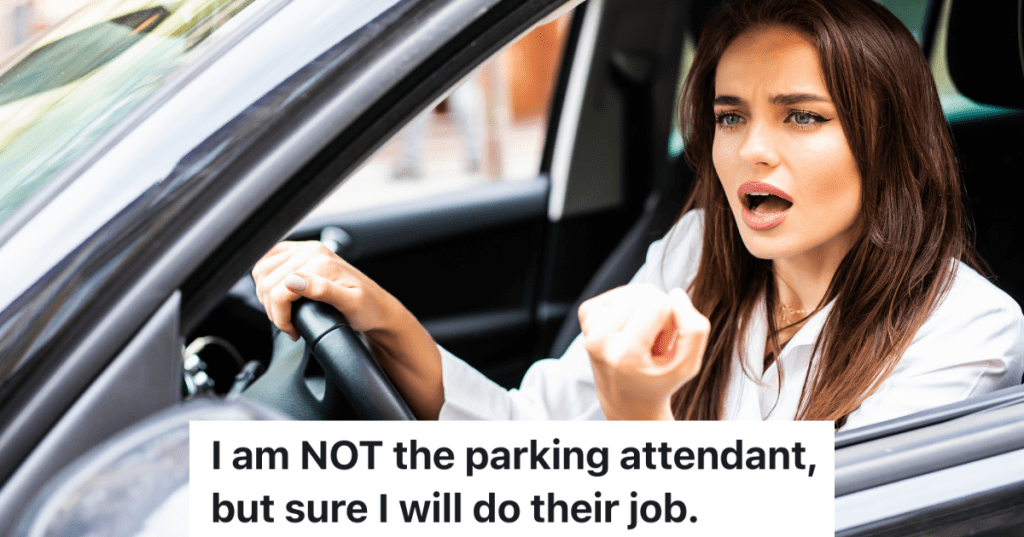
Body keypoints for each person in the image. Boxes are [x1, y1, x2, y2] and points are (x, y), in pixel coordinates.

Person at [251, 0, 1024, 429]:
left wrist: (638, 416)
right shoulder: (697, 253)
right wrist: (384, 320)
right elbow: (530, 432)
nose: (751, 151)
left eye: (801, 118)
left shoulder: (968, 330)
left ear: (886, 143)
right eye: (729, 116)